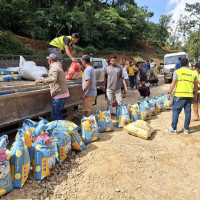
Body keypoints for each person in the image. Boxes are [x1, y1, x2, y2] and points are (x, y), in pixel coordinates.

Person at [166, 58, 198, 134]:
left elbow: (173, 82)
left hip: (179, 95)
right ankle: (186, 129)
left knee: (176, 111)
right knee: (187, 112)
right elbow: (196, 85)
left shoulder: (177, 72)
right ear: (188, 64)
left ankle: (173, 128)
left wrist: (169, 93)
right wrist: (195, 95)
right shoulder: (193, 73)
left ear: (180, 65)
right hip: (189, 95)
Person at [35, 53, 69, 120]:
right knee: (58, 113)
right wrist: (47, 74)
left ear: (50, 61)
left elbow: (53, 78)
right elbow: (56, 75)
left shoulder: (53, 67)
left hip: (59, 94)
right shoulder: (58, 66)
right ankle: (61, 128)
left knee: (55, 115)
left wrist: (41, 80)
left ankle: (58, 129)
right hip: (63, 93)